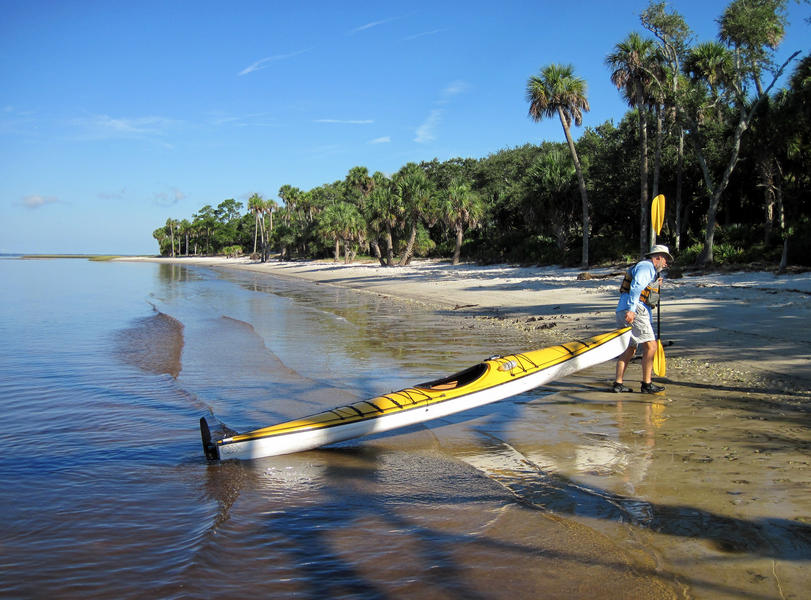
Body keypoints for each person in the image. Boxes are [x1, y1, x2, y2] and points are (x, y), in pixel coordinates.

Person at [613, 244, 673, 394]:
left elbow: (642, 289)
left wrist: (654, 284)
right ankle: (647, 384)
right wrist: (632, 311)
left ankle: (618, 383)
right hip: (635, 310)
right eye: (665, 259)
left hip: (623, 309)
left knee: (630, 348)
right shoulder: (646, 267)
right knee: (651, 346)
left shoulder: (647, 270)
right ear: (657, 257)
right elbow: (636, 287)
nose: (666, 263)